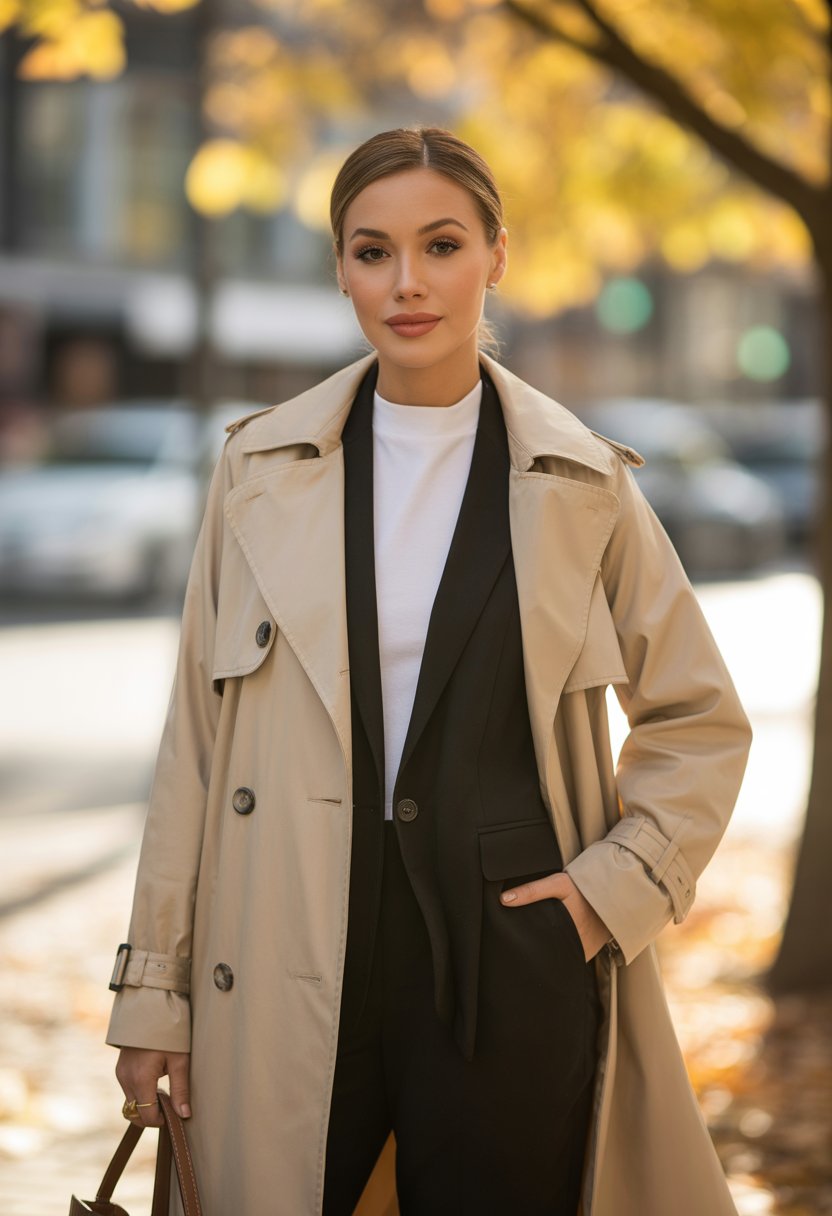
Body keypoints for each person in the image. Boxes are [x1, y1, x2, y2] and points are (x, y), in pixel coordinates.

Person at [109, 127, 752, 1216]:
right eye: (372, 252)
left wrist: (602, 900)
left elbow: (699, 717)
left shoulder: (580, 481)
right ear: (342, 268)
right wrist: (151, 1001)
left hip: (519, 965)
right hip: (286, 959)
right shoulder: (258, 471)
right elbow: (196, 753)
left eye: (441, 244)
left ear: (496, 254)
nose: (406, 284)